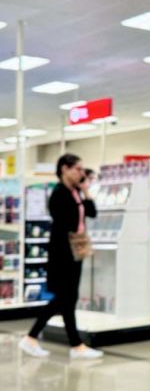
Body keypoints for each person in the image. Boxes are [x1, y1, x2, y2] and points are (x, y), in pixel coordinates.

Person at [19, 154, 103, 360]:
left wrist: (85, 191)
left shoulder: (75, 193)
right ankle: (31, 336)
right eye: (77, 169)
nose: (81, 174)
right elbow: (64, 223)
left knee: (69, 298)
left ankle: (76, 345)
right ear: (65, 169)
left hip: (76, 250)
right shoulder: (59, 194)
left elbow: (92, 213)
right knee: (64, 297)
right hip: (62, 251)